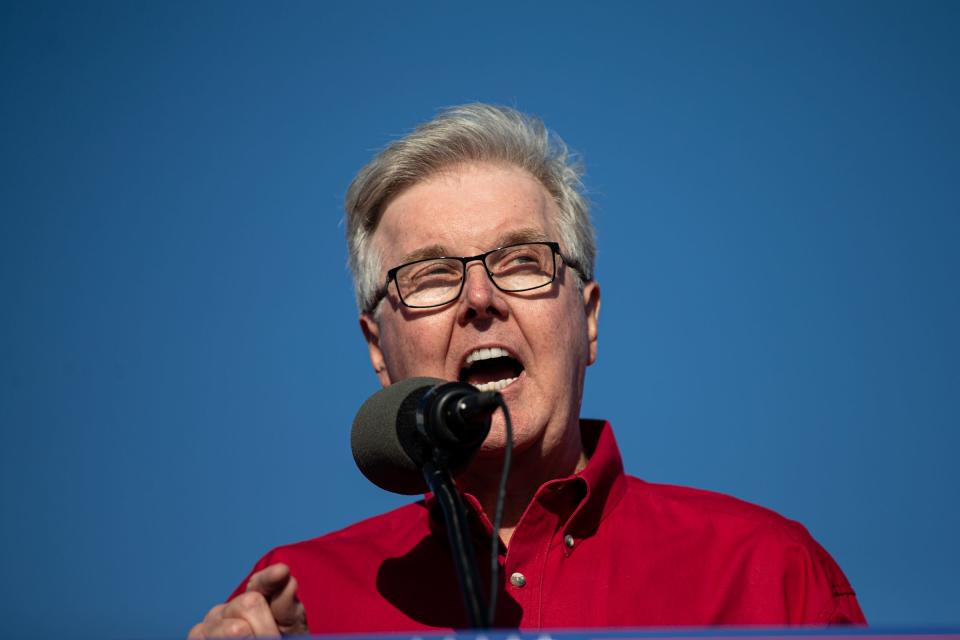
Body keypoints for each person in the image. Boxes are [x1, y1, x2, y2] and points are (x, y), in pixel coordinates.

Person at [188, 104, 866, 638]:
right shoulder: (296, 602)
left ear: (589, 319)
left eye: (520, 262)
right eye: (430, 276)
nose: (480, 301)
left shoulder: (766, 575)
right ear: (377, 348)